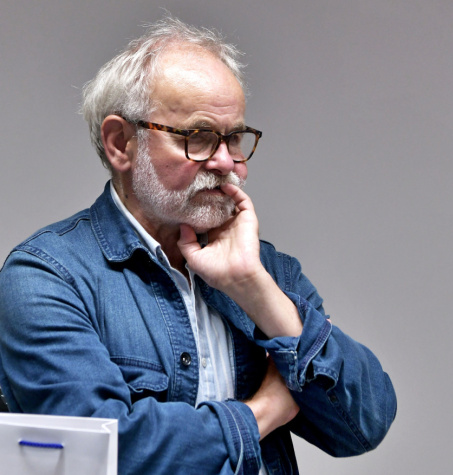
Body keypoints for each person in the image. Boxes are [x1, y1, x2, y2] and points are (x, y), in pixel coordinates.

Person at [0, 17, 396, 474]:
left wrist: (255, 289)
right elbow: (104, 458)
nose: (227, 163)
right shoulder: (46, 277)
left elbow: (364, 425)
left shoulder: (265, 270)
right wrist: (263, 412)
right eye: (199, 137)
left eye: (234, 138)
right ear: (121, 144)